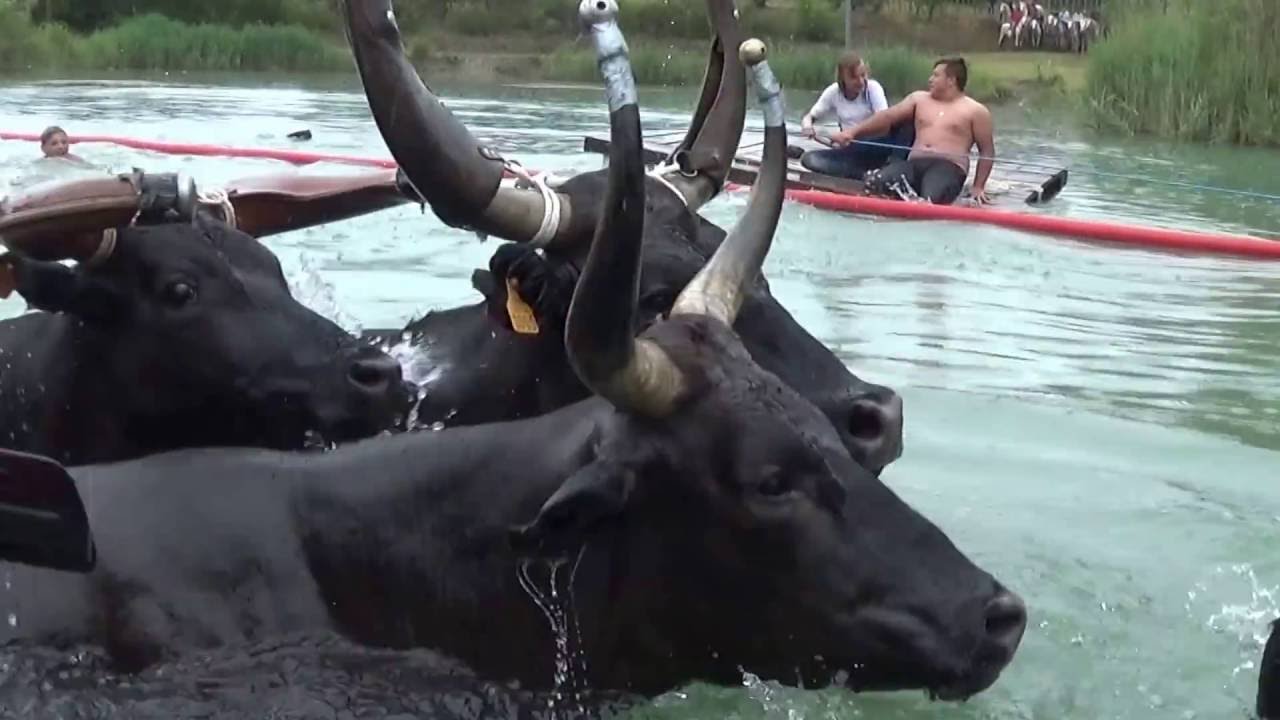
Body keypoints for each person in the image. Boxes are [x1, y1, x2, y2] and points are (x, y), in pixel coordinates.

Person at [834, 57, 995, 205]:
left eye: (936, 75)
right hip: (914, 164)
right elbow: (888, 117)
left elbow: (986, 150)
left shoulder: (976, 111)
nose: (930, 80)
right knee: (875, 182)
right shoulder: (919, 99)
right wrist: (852, 132)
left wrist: (978, 186)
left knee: (930, 199)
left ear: (951, 80)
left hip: (949, 167)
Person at [797, 51, 912, 181]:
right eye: (854, 78)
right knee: (809, 159)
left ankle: (889, 170)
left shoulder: (873, 88)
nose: (861, 81)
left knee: (907, 125)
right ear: (842, 78)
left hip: (876, 145)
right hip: (851, 149)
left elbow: (884, 122)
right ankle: (865, 174)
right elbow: (810, 116)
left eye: (863, 75)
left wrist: (851, 134)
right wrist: (807, 126)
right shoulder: (833, 92)